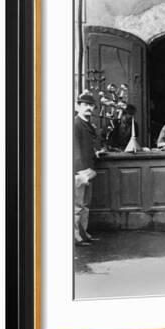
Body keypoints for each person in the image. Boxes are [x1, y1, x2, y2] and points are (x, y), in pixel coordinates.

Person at [74, 93, 101, 246]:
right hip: (80, 170)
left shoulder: (87, 124)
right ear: (78, 106)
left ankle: (83, 234)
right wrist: (80, 170)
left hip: (88, 168)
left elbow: (86, 146)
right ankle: (76, 237)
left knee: (85, 205)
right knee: (77, 206)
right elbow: (74, 149)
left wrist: (95, 152)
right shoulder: (75, 124)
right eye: (85, 105)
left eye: (91, 105)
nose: (89, 108)